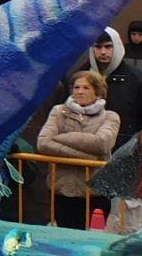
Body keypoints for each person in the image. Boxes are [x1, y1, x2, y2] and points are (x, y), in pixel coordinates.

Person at [36, 70, 120, 229]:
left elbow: (102, 143)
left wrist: (61, 138)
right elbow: (43, 143)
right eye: (76, 87)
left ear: (98, 92)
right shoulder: (58, 111)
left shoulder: (110, 116)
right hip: (63, 190)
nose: (80, 91)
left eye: (86, 88)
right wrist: (88, 157)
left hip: (95, 192)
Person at [87, 28, 142, 144]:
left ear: (118, 47)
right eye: (98, 47)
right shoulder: (82, 77)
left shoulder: (138, 80)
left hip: (125, 146)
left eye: (108, 47)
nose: (103, 52)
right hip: (87, 146)